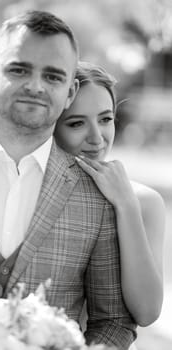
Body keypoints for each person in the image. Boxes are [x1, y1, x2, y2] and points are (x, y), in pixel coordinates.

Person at [0, 11, 136, 349]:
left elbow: (114, 322)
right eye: (19, 69)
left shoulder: (99, 198)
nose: (35, 86)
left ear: (70, 91)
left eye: (53, 76)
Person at [54, 61, 165, 337]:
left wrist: (125, 205)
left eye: (105, 119)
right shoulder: (33, 194)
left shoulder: (144, 201)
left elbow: (147, 311)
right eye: (77, 123)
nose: (97, 138)